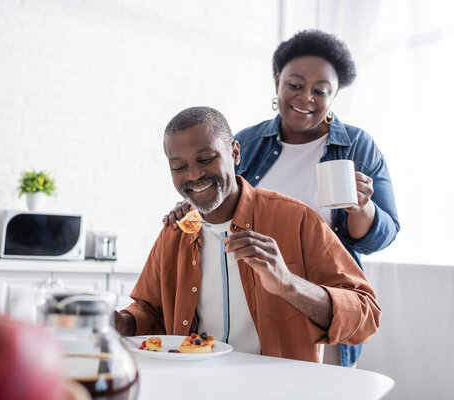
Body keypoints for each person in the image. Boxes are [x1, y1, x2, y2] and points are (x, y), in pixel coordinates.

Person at [163, 30, 399, 367]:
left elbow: (383, 235)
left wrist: (363, 209)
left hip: (318, 303)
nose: (306, 98)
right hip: (255, 300)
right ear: (278, 82)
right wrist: (190, 206)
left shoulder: (358, 146)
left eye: (321, 90)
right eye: (296, 85)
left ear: (334, 95)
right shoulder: (249, 140)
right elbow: (217, 197)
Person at [115, 106, 381, 363]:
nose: (194, 175)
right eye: (179, 167)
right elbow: (150, 313)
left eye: (206, 159)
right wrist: (118, 323)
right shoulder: (175, 231)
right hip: (194, 386)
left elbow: (366, 318)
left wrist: (289, 284)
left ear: (235, 152)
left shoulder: (295, 218)